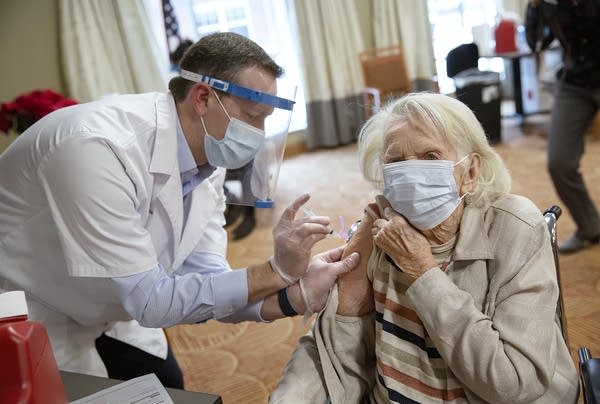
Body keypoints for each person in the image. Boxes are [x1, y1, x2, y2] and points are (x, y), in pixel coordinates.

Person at [0, 32, 359, 388]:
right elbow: (151, 301)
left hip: (110, 303)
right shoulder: (96, 148)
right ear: (203, 97)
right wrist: (277, 271)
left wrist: (294, 296)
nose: (259, 134)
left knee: (167, 387)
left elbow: (212, 282)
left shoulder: (207, 163)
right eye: (253, 116)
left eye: (267, 119)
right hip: (34, 311)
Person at [270, 93, 579, 403]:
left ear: (469, 172)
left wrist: (422, 271)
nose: (411, 174)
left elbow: (513, 382)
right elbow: (330, 352)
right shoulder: (378, 230)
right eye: (395, 161)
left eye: (430, 156)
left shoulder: (515, 229)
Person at [526, 0, 600, 253]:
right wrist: (534, 8)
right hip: (574, 84)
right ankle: (590, 227)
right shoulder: (549, 4)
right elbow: (535, 43)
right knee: (560, 163)